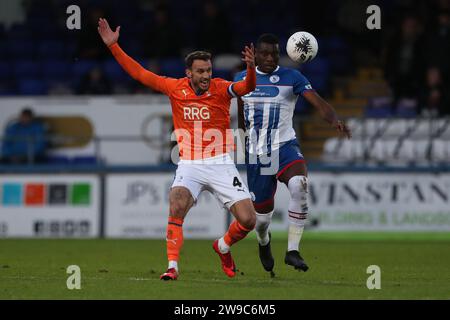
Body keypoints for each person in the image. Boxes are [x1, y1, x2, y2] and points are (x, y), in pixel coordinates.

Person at [98, 18, 257, 280]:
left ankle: (223, 245)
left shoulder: (221, 88)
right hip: (189, 163)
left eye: (208, 70)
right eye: (201, 71)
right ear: (189, 73)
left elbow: (246, 87)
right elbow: (139, 74)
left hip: (220, 161)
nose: (206, 75)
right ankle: (172, 266)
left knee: (248, 220)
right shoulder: (175, 88)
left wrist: (250, 68)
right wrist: (114, 47)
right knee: (176, 203)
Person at [235, 34, 351, 275]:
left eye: (274, 54)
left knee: (299, 184)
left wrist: (334, 120)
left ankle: (292, 251)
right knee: (262, 219)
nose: (270, 58)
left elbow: (317, 102)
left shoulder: (292, 77)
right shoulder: (241, 79)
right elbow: (241, 116)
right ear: (255, 54)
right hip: (258, 154)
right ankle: (264, 242)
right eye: (265, 53)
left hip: (285, 146)